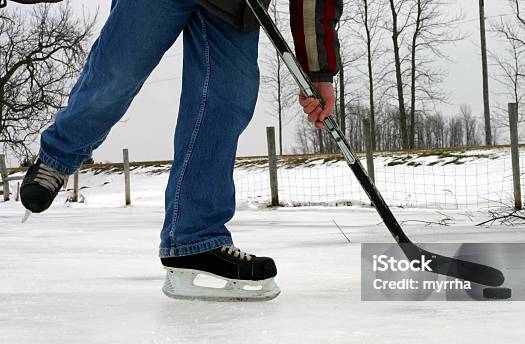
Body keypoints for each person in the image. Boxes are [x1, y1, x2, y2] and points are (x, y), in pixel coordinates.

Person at [17, 0, 342, 301]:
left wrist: (318, 71)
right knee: (118, 71)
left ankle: (195, 239)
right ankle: (57, 158)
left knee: (228, 102)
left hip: (235, 5)